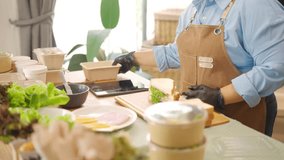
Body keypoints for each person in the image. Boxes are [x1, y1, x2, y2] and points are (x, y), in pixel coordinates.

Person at [113, 0, 284, 136]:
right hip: (200, 111)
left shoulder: (256, 5)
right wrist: (133, 58)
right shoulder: (193, 10)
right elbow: (179, 53)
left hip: (243, 112)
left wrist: (220, 96)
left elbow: (276, 67)